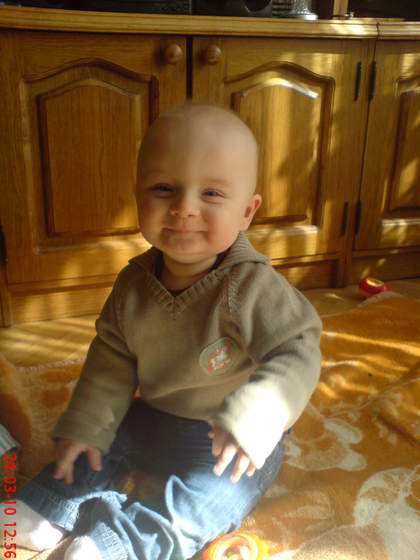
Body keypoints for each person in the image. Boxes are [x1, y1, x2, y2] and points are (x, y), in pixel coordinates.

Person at [6, 102, 322, 560]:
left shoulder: (252, 286)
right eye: (163, 188)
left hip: (226, 436)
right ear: (138, 196)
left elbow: (298, 347)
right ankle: (49, 504)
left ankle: (120, 543)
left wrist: (259, 415)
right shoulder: (133, 284)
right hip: (153, 416)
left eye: (211, 193)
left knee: (211, 499)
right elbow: (112, 359)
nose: (183, 208)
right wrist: (89, 424)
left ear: (247, 211)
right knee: (93, 440)